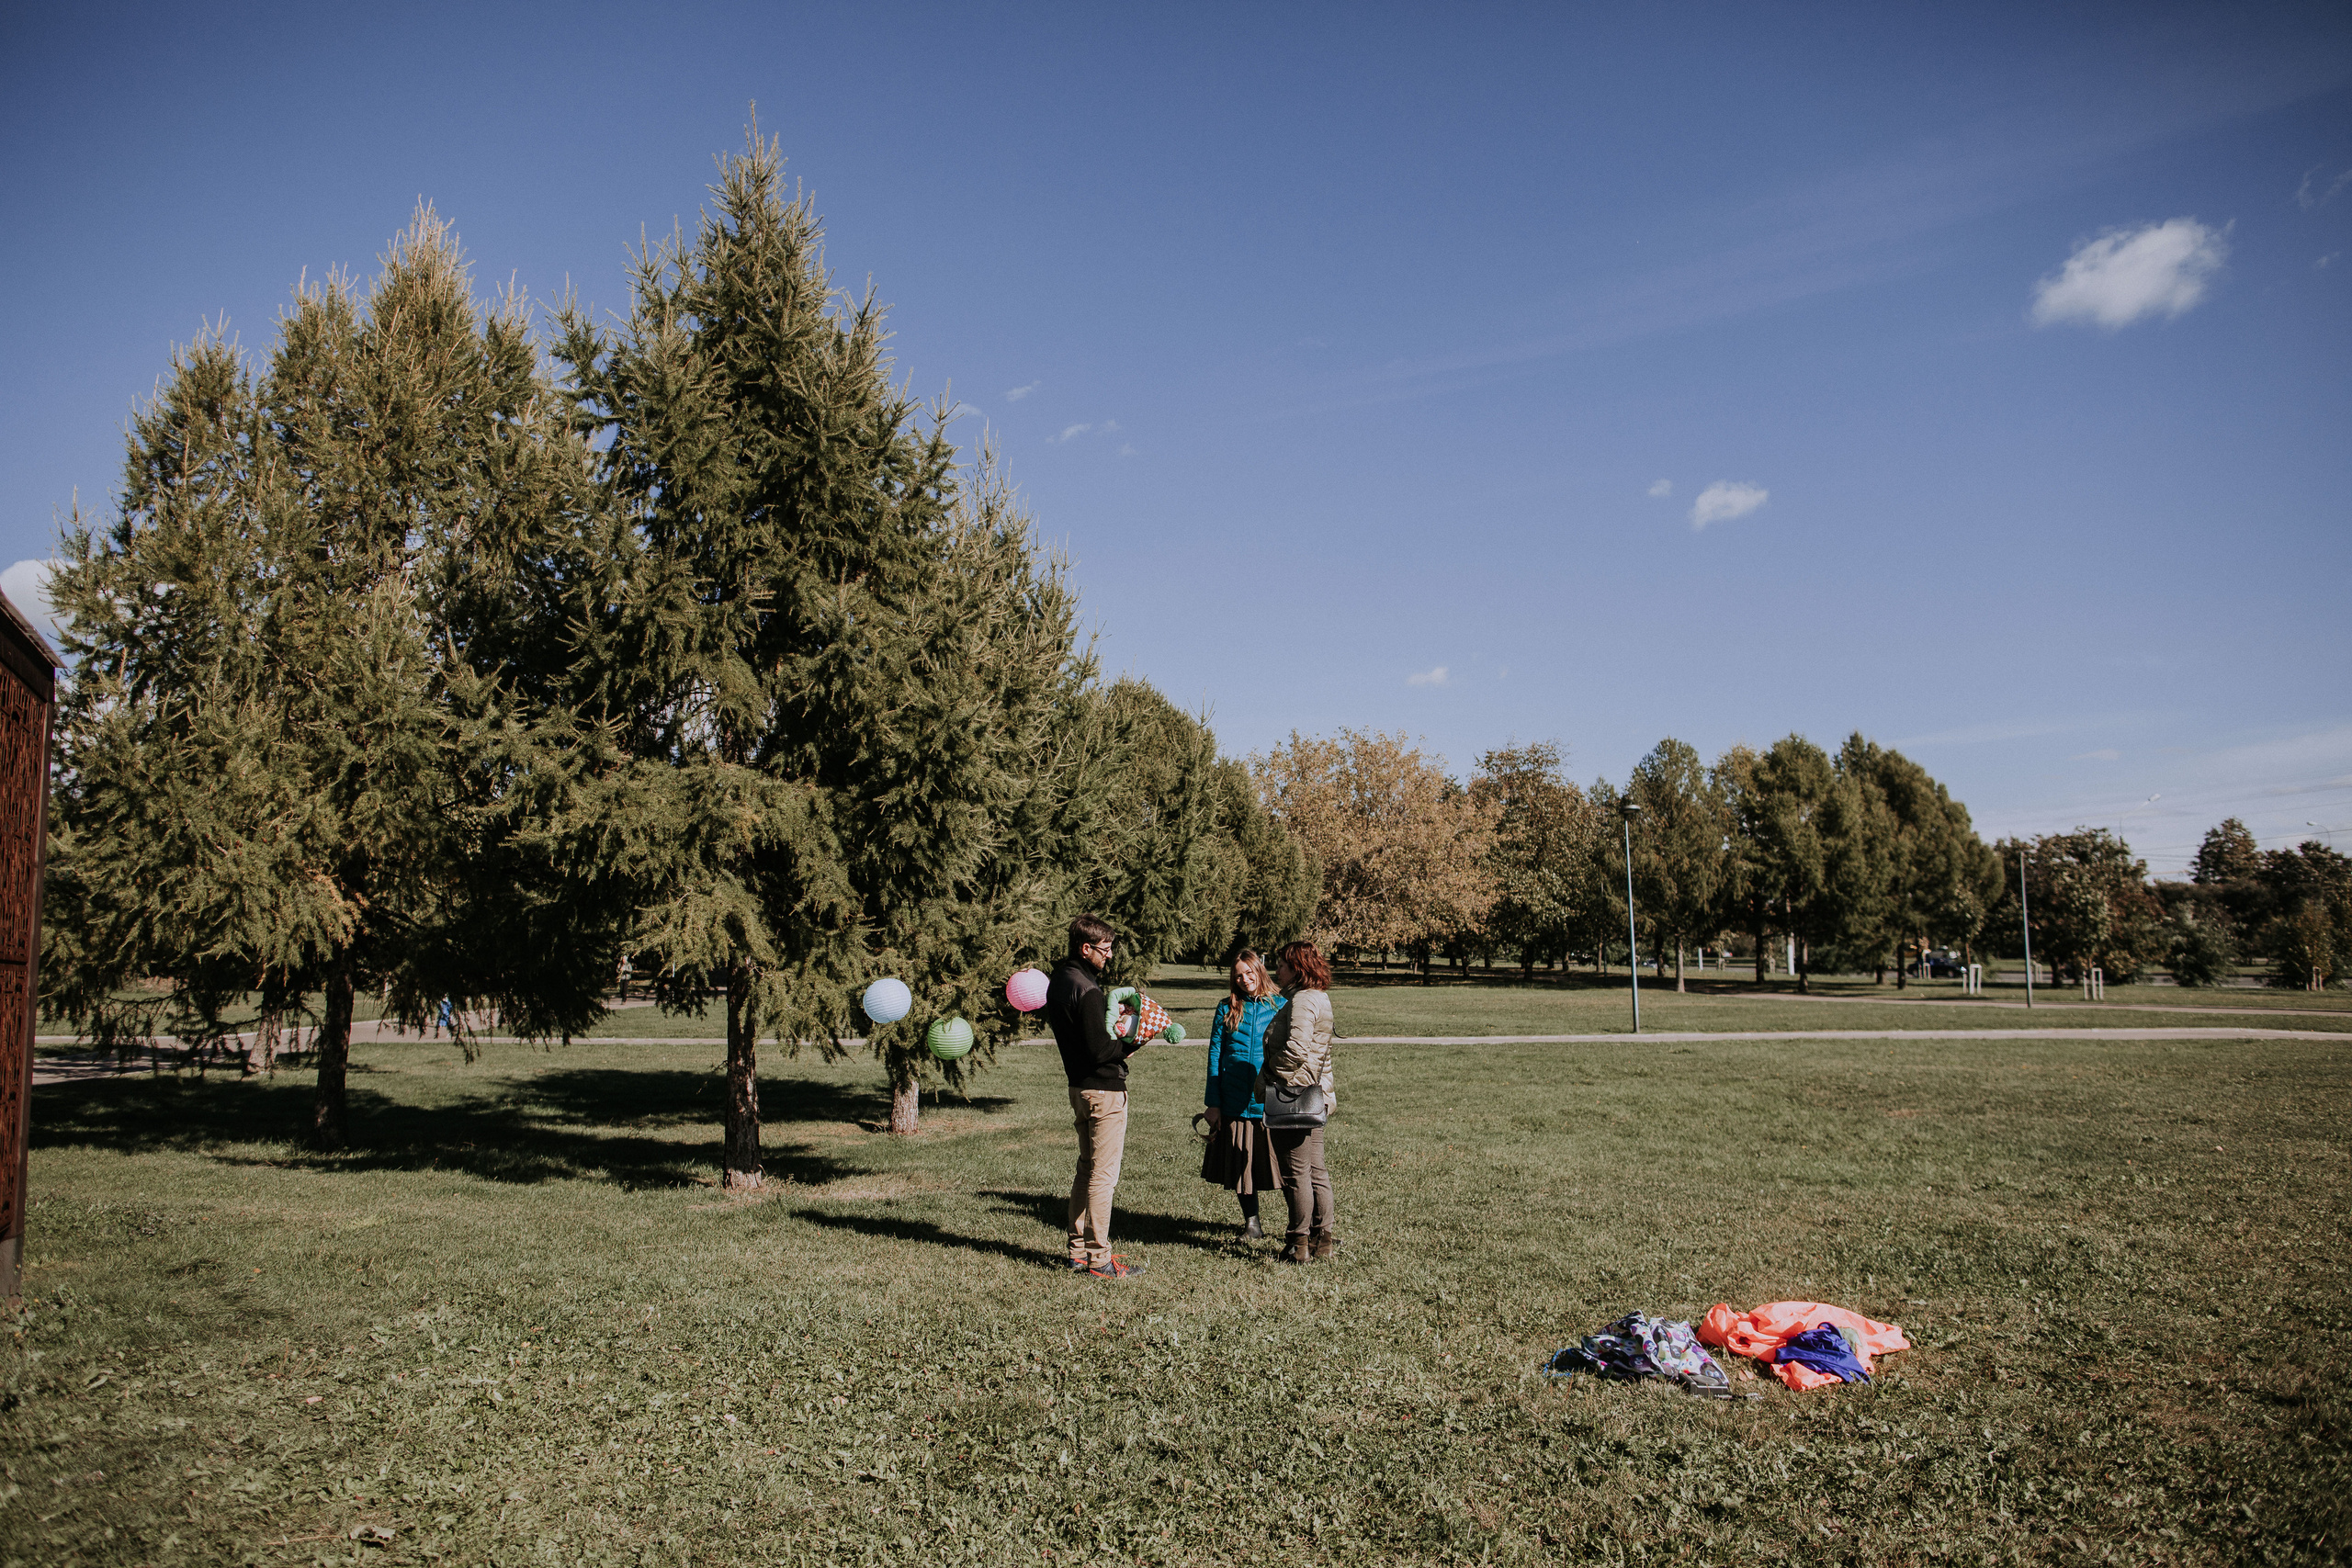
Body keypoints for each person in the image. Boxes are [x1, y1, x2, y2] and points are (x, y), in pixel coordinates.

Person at [1045, 914, 1153, 1279]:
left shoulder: (1060, 980)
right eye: (1104, 950)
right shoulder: (1089, 990)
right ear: (1085, 948)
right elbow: (1100, 1050)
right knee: (1102, 1177)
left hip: (1078, 1088)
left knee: (1086, 1170)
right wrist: (1135, 1040)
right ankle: (1099, 1259)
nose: (1109, 956)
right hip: (1104, 1091)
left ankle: (1077, 1252)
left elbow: (1083, 1037)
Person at [1256, 940, 1338, 1264]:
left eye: (1282, 964)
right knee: (1316, 1170)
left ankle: (1298, 1243)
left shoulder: (1304, 1000)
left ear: (1297, 968)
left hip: (1294, 1095)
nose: (1277, 970)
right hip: (1314, 1094)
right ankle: (1323, 1239)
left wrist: (1266, 1077)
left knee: (1297, 1173)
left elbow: (1297, 1050)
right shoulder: (1318, 996)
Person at [1198, 950, 1281, 1240]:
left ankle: (1301, 1225)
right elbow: (1215, 1055)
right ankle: (1252, 1224)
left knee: (1285, 1167)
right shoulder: (1226, 1008)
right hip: (1234, 1100)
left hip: (1272, 1100)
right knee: (1240, 1167)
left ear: (1260, 971)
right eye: (1238, 975)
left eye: (1249, 973)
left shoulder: (1281, 1005)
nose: (1244, 980)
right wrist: (1214, 1103)